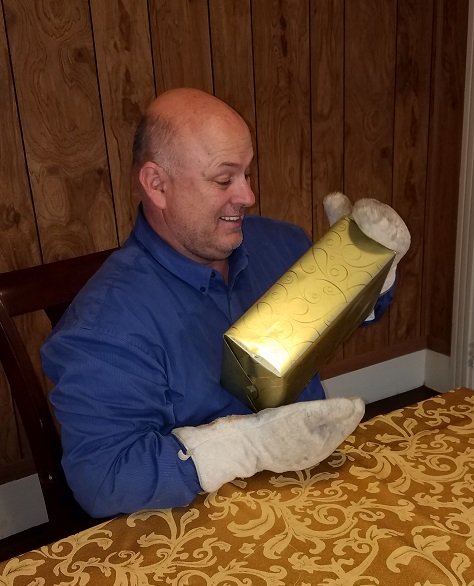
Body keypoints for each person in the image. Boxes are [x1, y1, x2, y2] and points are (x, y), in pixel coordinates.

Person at [42, 88, 404, 518]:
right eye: (223, 178)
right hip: (206, 537)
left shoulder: (281, 244)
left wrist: (367, 273)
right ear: (157, 185)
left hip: (320, 499)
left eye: (247, 173)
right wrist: (242, 446)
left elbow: (345, 321)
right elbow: (103, 479)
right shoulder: (101, 325)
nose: (247, 195)